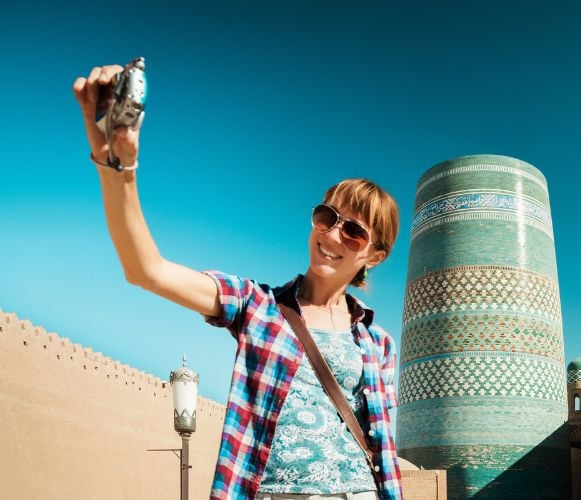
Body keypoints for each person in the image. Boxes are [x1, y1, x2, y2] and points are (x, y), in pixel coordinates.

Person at [73, 64, 404, 500]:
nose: (332, 235)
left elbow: (382, 444)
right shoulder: (255, 305)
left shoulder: (377, 343)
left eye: (354, 232)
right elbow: (146, 269)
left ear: (375, 256)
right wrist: (117, 165)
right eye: (327, 218)